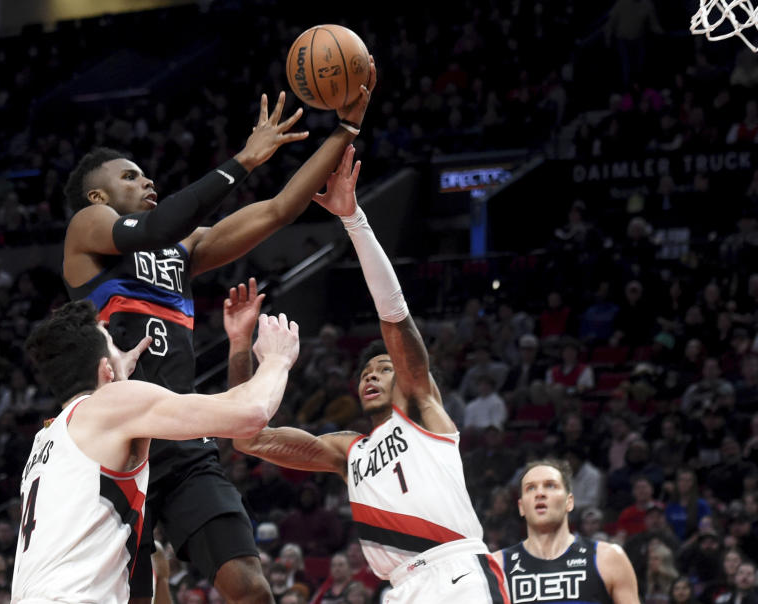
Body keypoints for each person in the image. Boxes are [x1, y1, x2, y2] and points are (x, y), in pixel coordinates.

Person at [62, 66, 375, 603]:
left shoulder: (183, 252)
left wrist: (344, 129)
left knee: (251, 590)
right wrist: (245, 158)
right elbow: (160, 227)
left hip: (182, 438)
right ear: (98, 197)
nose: (148, 182)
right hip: (113, 447)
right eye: (132, 177)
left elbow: (277, 210)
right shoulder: (87, 231)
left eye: (145, 175)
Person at [228, 148, 508, 602]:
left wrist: (354, 220)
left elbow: (395, 317)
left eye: (384, 367)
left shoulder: (420, 410)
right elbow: (246, 438)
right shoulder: (348, 451)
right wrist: (241, 348)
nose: (372, 375)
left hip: (455, 570)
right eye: (364, 371)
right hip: (398, 588)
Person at [10, 299, 300, 604]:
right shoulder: (111, 405)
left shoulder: (45, 439)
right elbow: (251, 412)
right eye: (113, 345)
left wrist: (118, 372)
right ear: (105, 369)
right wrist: (277, 360)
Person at [492, 460, 640, 603]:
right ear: (521, 506)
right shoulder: (496, 566)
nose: (540, 493)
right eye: (530, 488)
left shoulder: (608, 558)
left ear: (569, 502)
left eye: (550, 485)